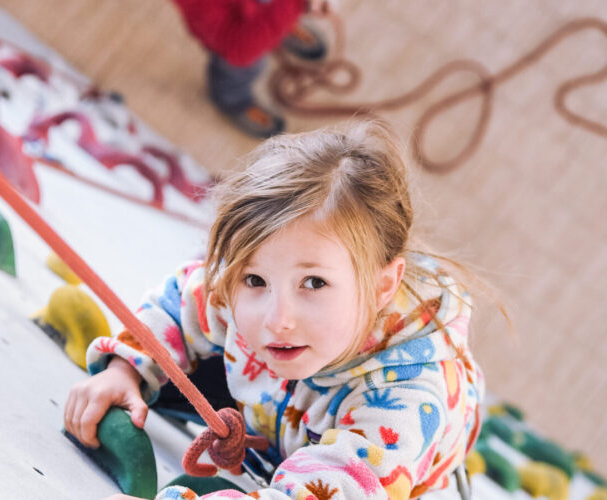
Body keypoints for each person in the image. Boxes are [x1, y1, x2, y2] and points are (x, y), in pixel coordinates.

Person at [65, 119, 486, 499]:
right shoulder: (247, 296)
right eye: (255, 280)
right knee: (190, 345)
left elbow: (337, 488)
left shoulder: (404, 401)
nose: (277, 319)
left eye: (315, 283)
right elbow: (184, 298)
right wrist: (126, 370)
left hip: (377, 467)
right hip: (282, 407)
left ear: (382, 286)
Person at [169, 0, 336, 138]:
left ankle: (278, 19)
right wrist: (295, 5)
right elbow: (238, 48)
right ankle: (232, 99)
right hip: (230, 33)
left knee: (265, 10)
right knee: (246, 63)